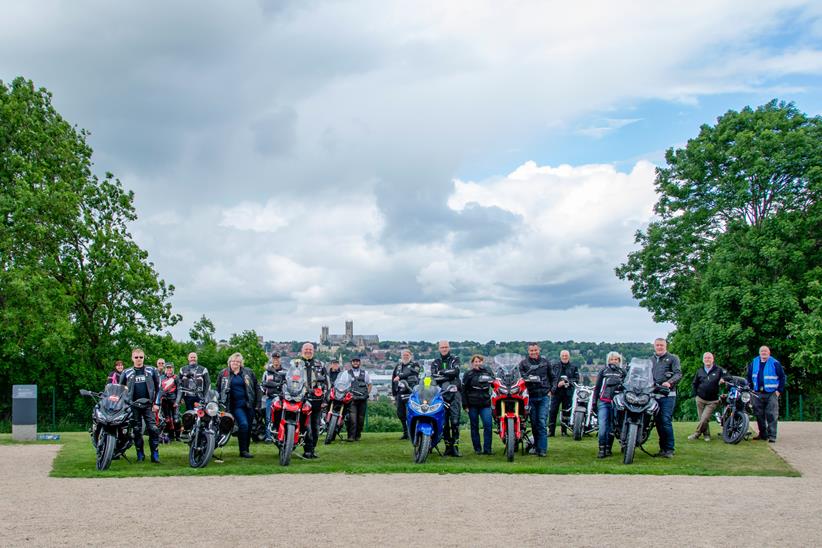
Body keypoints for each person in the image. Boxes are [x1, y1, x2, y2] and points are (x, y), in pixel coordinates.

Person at [120, 348, 161, 463]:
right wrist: (124, 403)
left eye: (141, 357)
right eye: (136, 357)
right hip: (133, 405)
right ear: (132, 358)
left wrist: (156, 403)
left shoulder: (152, 370)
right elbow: (121, 389)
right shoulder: (126, 372)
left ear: (144, 357)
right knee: (136, 430)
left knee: (153, 429)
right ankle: (140, 454)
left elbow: (159, 388)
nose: (139, 359)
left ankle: (155, 454)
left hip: (148, 404)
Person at [217, 352, 259, 458]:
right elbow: (218, 388)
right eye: (233, 361)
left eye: (238, 361)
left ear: (241, 363)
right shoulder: (224, 373)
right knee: (243, 425)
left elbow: (256, 388)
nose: (235, 363)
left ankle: (245, 450)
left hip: (249, 404)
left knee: (249, 427)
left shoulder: (248, 372)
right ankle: (243, 450)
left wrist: (257, 403)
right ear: (229, 362)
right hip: (235, 405)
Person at [519, 342, 553, 457]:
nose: (533, 352)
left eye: (535, 350)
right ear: (528, 351)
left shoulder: (545, 362)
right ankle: (536, 446)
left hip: (544, 395)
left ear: (539, 350)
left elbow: (553, 377)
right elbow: (521, 378)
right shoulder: (523, 364)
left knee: (541, 422)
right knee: (533, 423)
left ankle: (542, 449)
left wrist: (551, 390)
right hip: (530, 396)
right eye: (531, 350)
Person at [746, 346, 786, 443]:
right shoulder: (754, 362)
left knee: (771, 415)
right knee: (759, 414)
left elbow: (782, 377)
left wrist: (779, 390)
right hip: (757, 393)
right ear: (759, 353)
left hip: (771, 393)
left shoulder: (775, 363)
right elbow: (749, 376)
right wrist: (750, 388)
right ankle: (763, 434)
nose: (764, 353)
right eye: (762, 351)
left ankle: (772, 436)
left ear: (769, 352)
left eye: (765, 351)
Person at [650, 338, 682, 458]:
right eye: (657, 345)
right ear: (654, 346)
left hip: (668, 395)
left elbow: (678, 373)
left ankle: (669, 449)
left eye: (661, 345)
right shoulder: (651, 360)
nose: (659, 347)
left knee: (665, 420)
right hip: (653, 395)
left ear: (666, 346)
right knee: (658, 422)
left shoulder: (673, 358)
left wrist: (669, 382)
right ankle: (662, 449)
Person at [431, 340, 463, 457]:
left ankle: (455, 447)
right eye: (442, 347)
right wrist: (447, 375)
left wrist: (442, 373)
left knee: (455, 422)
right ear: (439, 349)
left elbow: (456, 371)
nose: (444, 349)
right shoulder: (435, 362)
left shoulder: (455, 359)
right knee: (444, 423)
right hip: (441, 394)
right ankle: (447, 447)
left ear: (449, 348)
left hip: (455, 393)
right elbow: (434, 376)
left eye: (446, 347)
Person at [592, 352, 626, 458]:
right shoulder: (604, 371)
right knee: (603, 426)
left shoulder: (623, 372)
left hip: (617, 403)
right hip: (604, 401)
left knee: (613, 426)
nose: (614, 361)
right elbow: (597, 387)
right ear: (608, 360)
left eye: (616, 359)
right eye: (612, 359)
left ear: (619, 361)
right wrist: (594, 402)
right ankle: (601, 449)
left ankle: (608, 448)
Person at [688, 352, 726, 442]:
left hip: (713, 400)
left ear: (713, 359)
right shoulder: (700, 370)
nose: (707, 359)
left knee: (704, 418)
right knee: (703, 419)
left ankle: (696, 434)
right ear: (703, 360)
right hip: (700, 398)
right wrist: (695, 395)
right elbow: (694, 383)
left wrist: (723, 379)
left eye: (709, 358)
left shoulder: (719, 370)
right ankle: (707, 435)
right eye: (705, 358)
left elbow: (728, 376)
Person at [462, 355, 494, 455]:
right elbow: (464, 390)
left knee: (488, 425)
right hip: (472, 404)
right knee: (474, 427)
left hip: (485, 403)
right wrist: (465, 405)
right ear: (472, 363)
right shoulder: (468, 374)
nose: (478, 363)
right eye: (476, 361)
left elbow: (494, 383)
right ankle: (477, 449)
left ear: (482, 362)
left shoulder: (487, 372)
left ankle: (487, 449)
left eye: (479, 361)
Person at [301, 343, 328, 459]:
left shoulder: (320, 365)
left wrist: (325, 398)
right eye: (306, 349)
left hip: (316, 400)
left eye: (310, 349)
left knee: (315, 428)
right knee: (305, 426)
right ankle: (306, 449)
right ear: (302, 351)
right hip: (301, 399)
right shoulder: (296, 364)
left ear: (313, 351)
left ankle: (311, 450)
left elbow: (327, 383)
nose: (308, 351)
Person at [549, 350, 579, 437]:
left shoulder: (573, 367)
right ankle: (551, 431)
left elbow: (576, 379)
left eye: (566, 355)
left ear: (569, 356)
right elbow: (551, 378)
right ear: (560, 356)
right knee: (553, 411)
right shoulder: (554, 366)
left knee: (566, 412)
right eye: (563, 355)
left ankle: (564, 431)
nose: (565, 357)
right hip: (556, 391)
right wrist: (557, 383)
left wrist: (566, 381)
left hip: (568, 392)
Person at [392, 349, 421, 440]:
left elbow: (412, 372)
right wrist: (394, 392)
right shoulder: (398, 366)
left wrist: (400, 376)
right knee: (400, 413)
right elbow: (393, 378)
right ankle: (406, 433)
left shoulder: (415, 365)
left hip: (411, 392)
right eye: (404, 355)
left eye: (407, 355)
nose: (405, 356)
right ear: (401, 356)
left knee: (412, 413)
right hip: (400, 392)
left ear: (410, 356)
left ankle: (414, 432)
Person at [260, 353, 285, 443]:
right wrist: (266, 391)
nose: (276, 360)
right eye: (274, 358)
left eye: (277, 358)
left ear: (280, 359)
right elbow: (262, 384)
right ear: (272, 360)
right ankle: (268, 437)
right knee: (269, 418)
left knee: (282, 418)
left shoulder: (285, 372)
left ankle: (281, 436)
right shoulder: (267, 372)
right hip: (270, 398)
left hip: (281, 399)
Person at [347, 357, 372, 441]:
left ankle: (358, 435)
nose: (355, 363)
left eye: (357, 361)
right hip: (352, 399)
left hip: (362, 399)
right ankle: (351, 436)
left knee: (361, 419)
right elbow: (343, 384)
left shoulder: (365, 373)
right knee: (352, 418)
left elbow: (369, 384)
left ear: (360, 363)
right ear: (351, 363)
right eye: (354, 361)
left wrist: (367, 393)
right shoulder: (347, 373)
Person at [158, 361, 182, 442]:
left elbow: (179, 390)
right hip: (164, 401)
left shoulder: (176, 377)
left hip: (174, 400)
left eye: (170, 368)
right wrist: (158, 400)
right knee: (167, 419)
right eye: (167, 368)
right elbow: (159, 389)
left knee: (176, 419)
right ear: (165, 369)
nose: (169, 370)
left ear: (173, 369)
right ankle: (171, 435)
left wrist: (177, 401)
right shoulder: (161, 378)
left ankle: (178, 436)